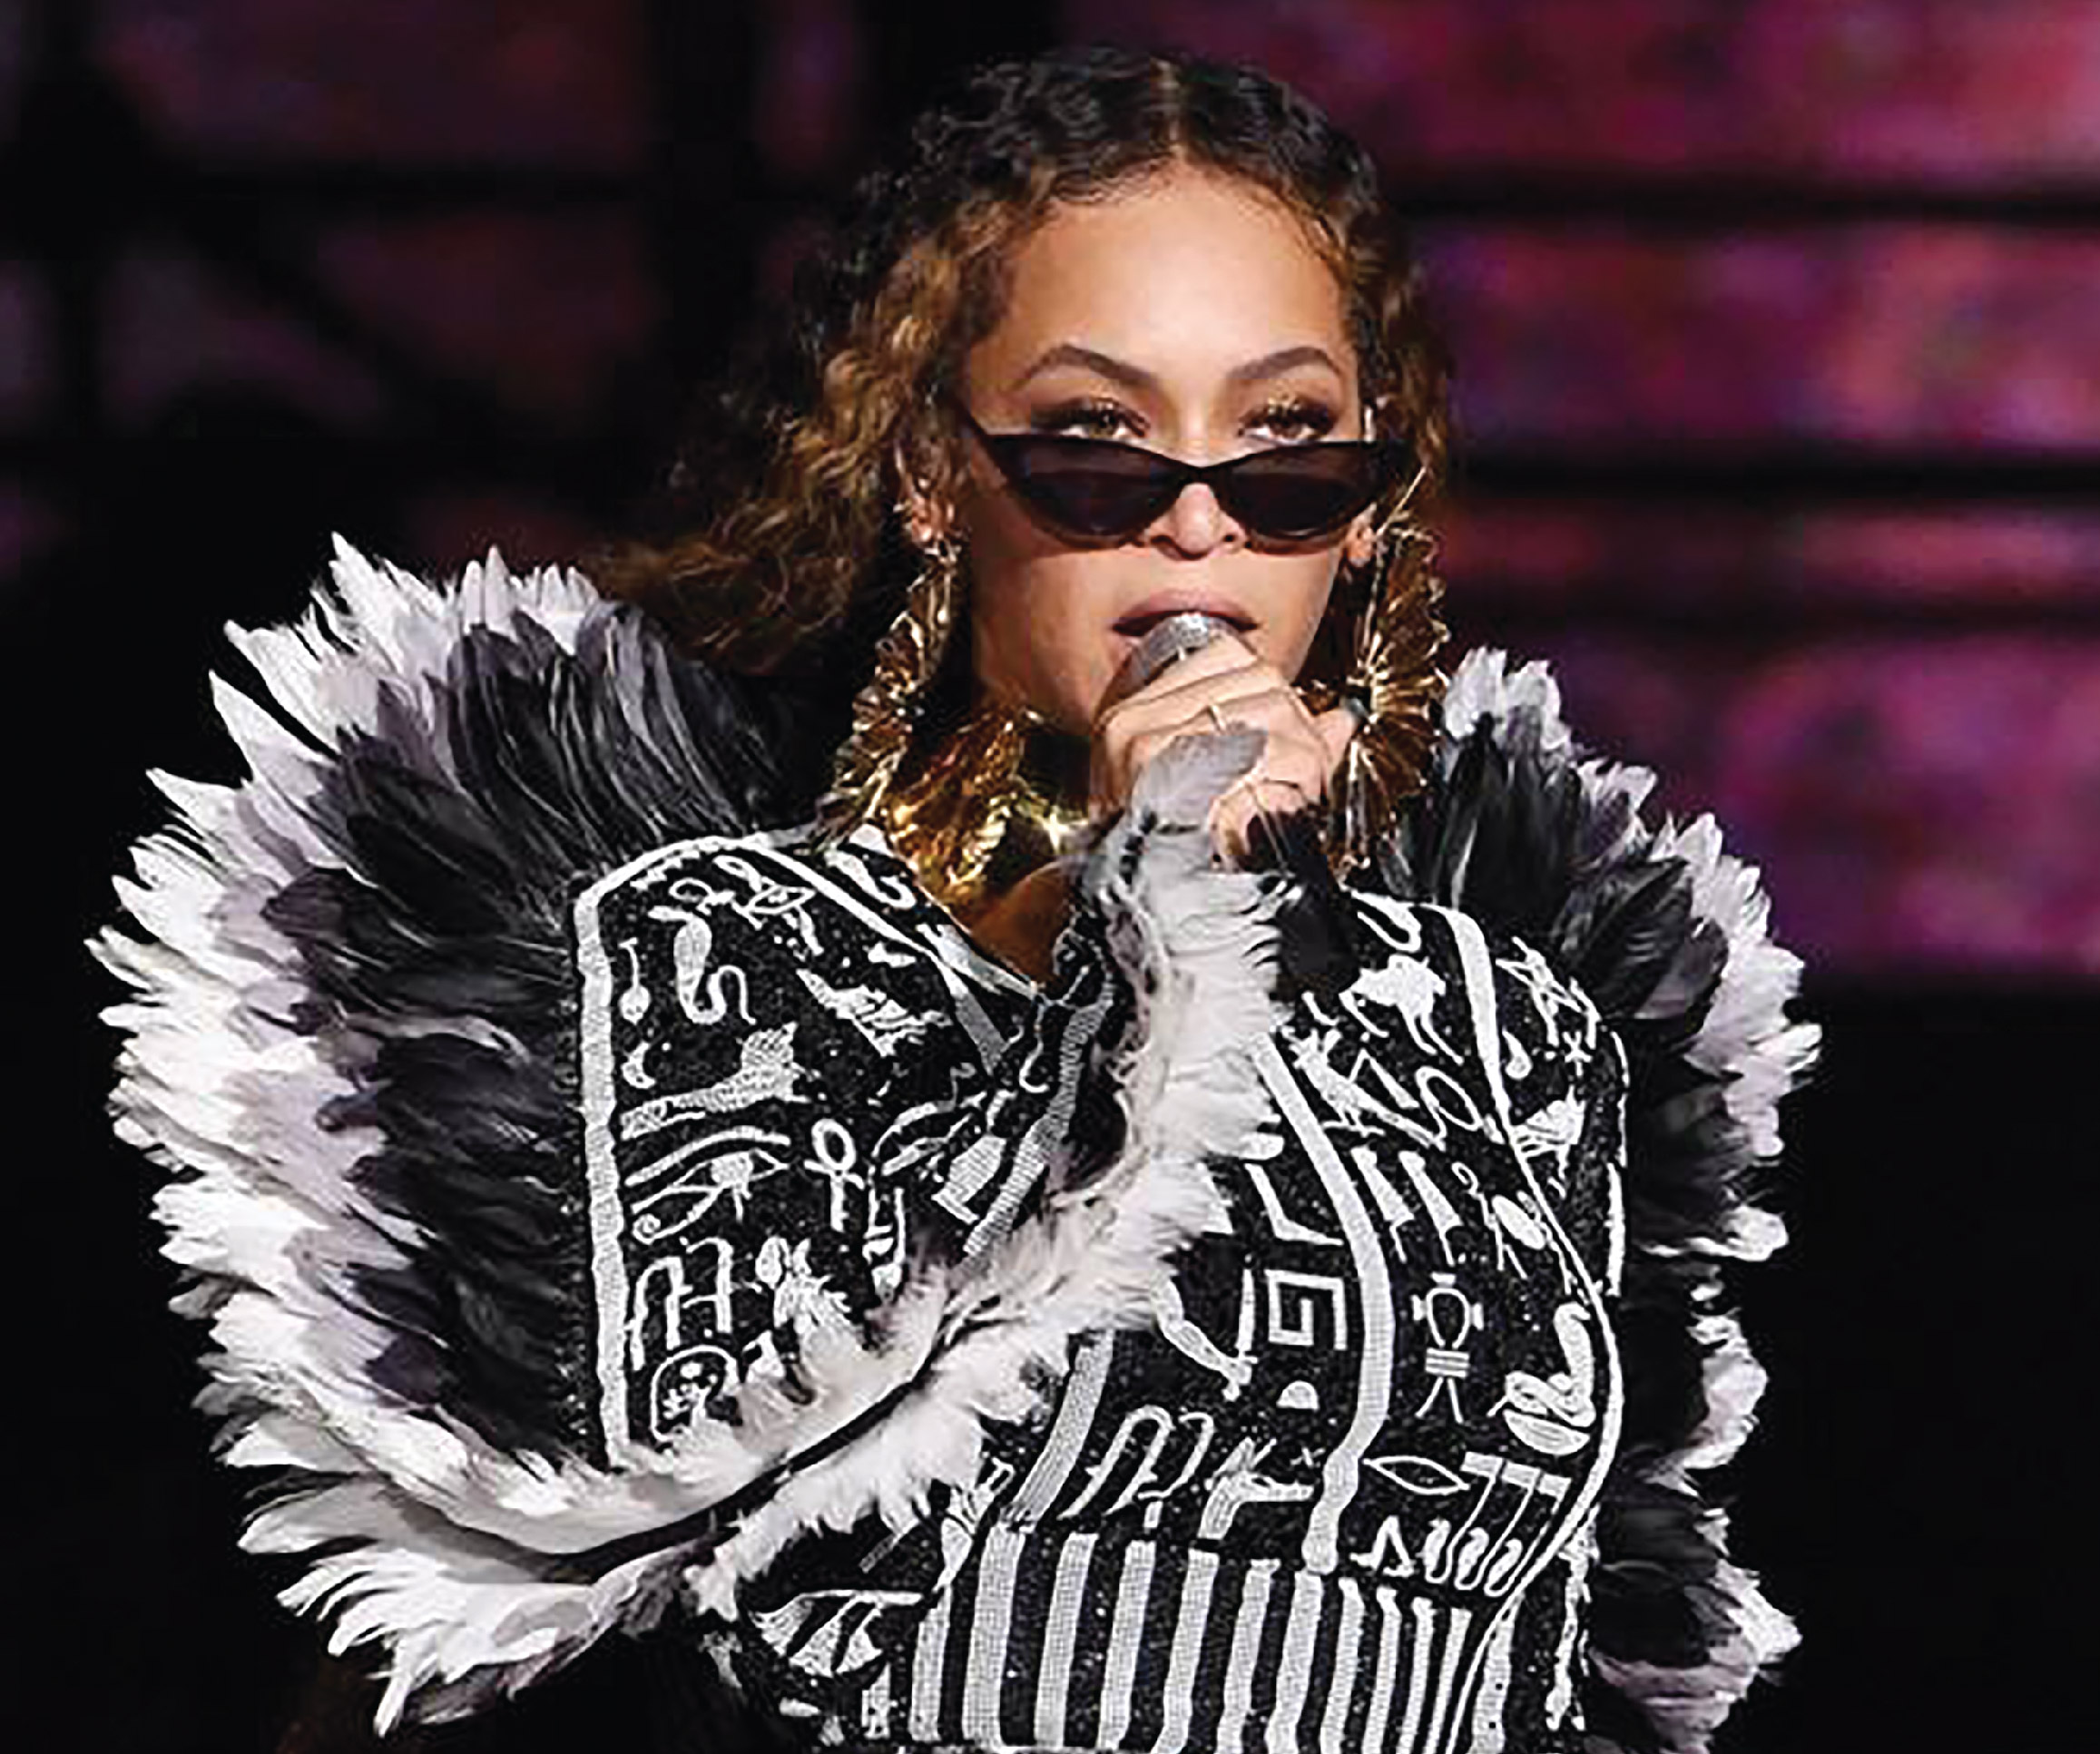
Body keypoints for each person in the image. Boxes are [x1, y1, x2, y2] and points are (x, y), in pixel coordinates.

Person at [94, 46, 1817, 1754]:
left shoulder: (1515, 1029)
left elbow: (1555, 1649)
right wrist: (1146, 917)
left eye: (1286, 446)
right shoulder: (718, 953)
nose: (1199, 526)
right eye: (1096, 443)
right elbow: (658, 1491)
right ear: (932, 471)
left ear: (1373, 508)